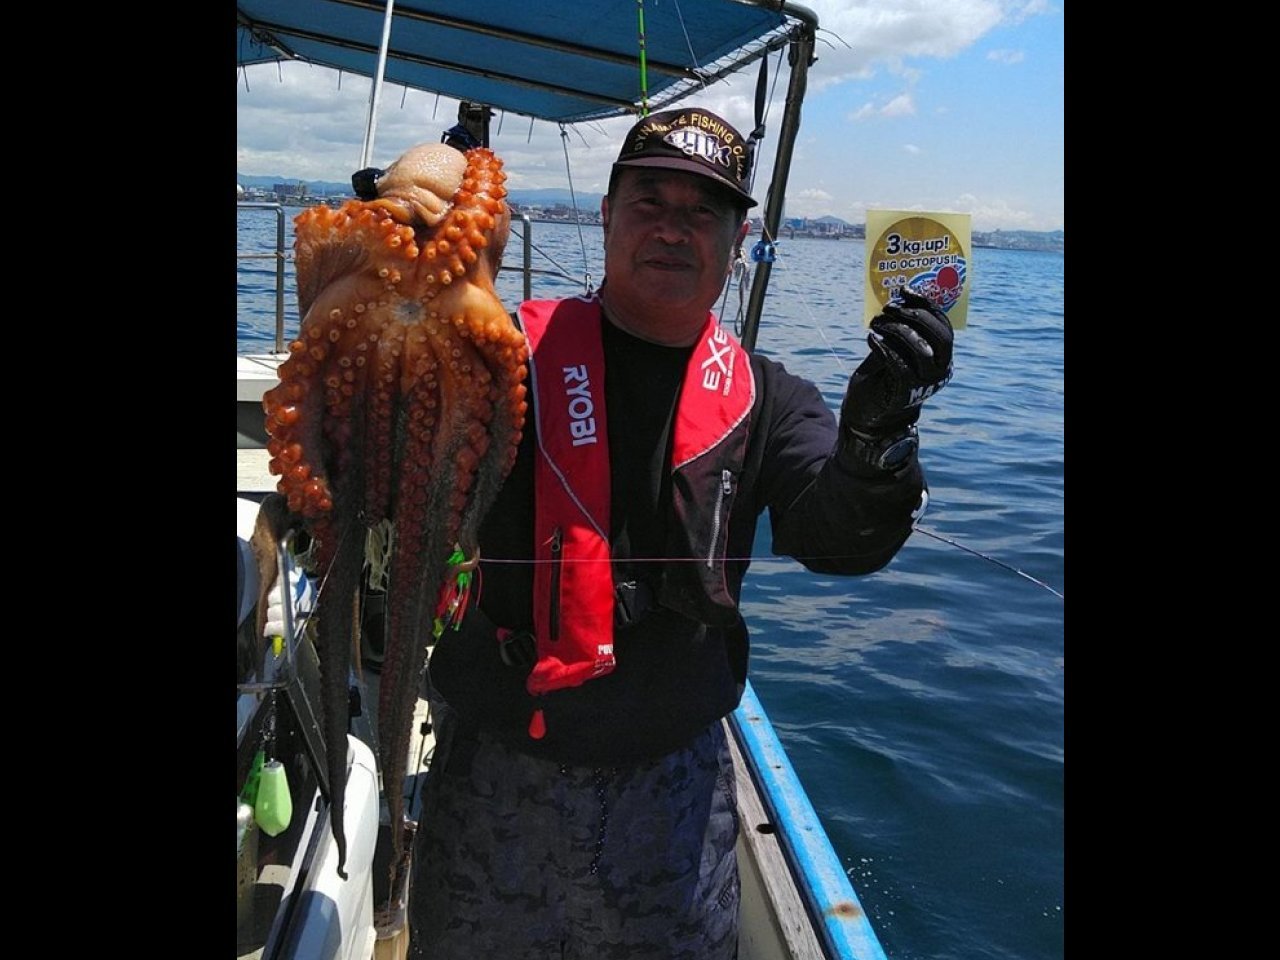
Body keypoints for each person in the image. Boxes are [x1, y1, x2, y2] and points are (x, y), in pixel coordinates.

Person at [406, 106, 954, 959]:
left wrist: (877, 437)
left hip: (673, 802)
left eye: (702, 211)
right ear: (606, 216)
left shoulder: (770, 399)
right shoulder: (501, 355)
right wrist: (394, 265)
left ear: (737, 243)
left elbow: (839, 539)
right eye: (649, 202)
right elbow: (394, 437)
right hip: (494, 774)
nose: (672, 228)